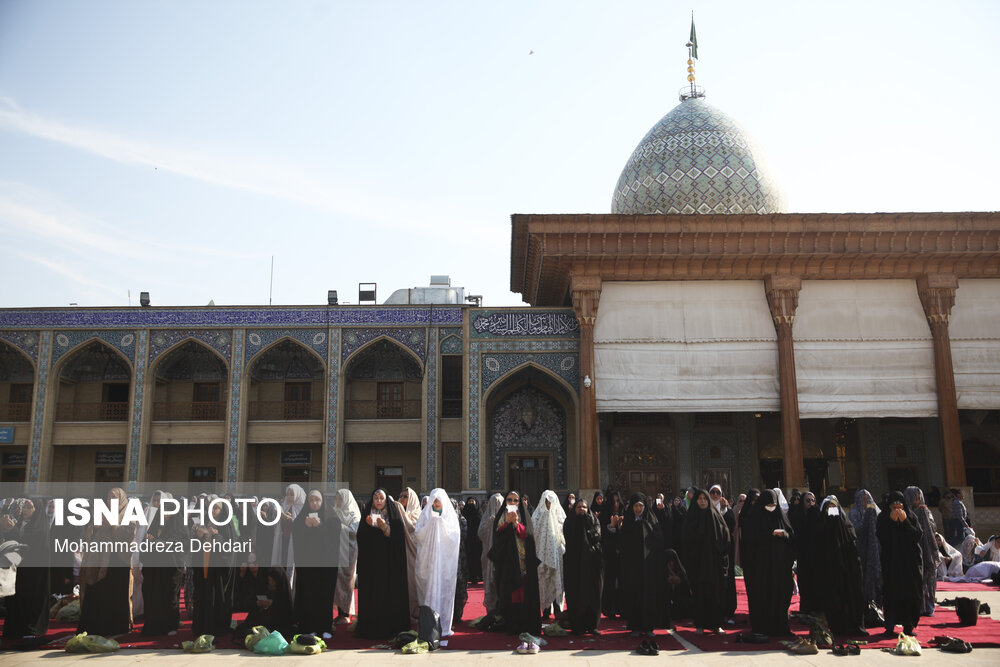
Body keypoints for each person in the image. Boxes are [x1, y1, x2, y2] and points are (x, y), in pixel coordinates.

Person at [354, 489, 411, 639]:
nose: (379, 501)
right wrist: (368, 527)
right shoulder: (367, 514)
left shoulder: (393, 515)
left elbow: (398, 538)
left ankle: (391, 626)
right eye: (376, 498)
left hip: (389, 566)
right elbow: (360, 538)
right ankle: (370, 627)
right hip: (371, 566)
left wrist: (385, 528)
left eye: (381, 498)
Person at [78, 488, 135, 637]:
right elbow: (87, 536)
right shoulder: (103, 513)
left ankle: (115, 627)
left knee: (114, 596)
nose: (110, 502)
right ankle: (95, 626)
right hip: (99, 561)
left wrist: (112, 525)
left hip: (117, 562)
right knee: (98, 593)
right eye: (109, 498)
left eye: (114, 498)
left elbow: (129, 535)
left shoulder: (129, 514)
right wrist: (94, 528)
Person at [487, 490, 541, 635]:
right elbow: (497, 534)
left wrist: (516, 524)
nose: (512, 503)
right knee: (509, 591)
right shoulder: (502, 515)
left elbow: (529, 536)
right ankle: (510, 622)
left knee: (523, 592)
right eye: (509, 500)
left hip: (523, 561)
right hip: (507, 562)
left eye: (515, 500)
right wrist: (507, 524)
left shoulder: (524, 515)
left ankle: (523, 622)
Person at [617, 492, 668, 641]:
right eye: (635, 506)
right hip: (633, 568)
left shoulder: (652, 520)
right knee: (635, 595)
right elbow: (622, 543)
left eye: (640, 506)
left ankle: (649, 626)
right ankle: (635, 626)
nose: (638, 509)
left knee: (649, 595)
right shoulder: (628, 522)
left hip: (649, 567)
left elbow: (659, 540)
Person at [814, 495, 865, 635]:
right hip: (829, 571)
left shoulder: (846, 526)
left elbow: (852, 546)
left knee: (851, 597)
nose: (831, 511)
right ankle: (837, 627)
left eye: (834, 508)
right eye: (828, 509)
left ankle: (853, 626)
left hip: (848, 570)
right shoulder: (820, 527)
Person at [682, 488, 731, 634]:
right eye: (699, 498)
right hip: (698, 564)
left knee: (715, 593)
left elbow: (725, 535)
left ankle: (716, 624)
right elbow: (686, 540)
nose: (702, 501)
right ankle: (700, 624)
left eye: (705, 498)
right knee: (700, 594)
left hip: (714, 564)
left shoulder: (715, 515)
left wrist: (720, 552)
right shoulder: (691, 517)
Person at [747, 489, 794, 637]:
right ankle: (763, 627)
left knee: (781, 595)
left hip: (780, 567)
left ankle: (780, 626)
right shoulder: (754, 518)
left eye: (774, 504)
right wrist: (769, 534)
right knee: (763, 595)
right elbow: (750, 540)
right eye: (768, 504)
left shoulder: (781, 517)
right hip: (762, 568)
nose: (771, 507)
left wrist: (784, 534)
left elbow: (791, 537)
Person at [293, 490, 340, 638]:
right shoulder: (301, 520)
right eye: (311, 500)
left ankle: (325, 627)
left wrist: (319, 527)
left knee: (324, 596)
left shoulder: (332, 518)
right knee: (309, 595)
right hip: (308, 566)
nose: (314, 503)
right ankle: (309, 626)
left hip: (326, 566)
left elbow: (333, 542)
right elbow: (297, 538)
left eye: (317, 500)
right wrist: (305, 527)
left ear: (322, 501)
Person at [414, 488, 461, 637]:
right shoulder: (425, 516)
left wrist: (441, 525)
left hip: (444, 564)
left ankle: (444, 625)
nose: (436, 503)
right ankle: (428, 626)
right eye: (434, 500)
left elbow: (455, 536)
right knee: (427, 590)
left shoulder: (450, 518)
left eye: (439, 500)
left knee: (444, 592)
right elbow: (418, 533)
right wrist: (432, 525)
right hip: (428, 562)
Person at [140, 490, 187, 636]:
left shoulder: (178, 525)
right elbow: (146, 546)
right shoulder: (155, 526)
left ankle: (170, 625)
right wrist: (149, 543)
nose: (166, 514)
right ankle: (153, 625)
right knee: (152, 595)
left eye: (169, 511)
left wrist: (167, 544)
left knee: (170, 596)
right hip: (155, 569)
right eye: (164, 511)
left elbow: (184, 543)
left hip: (171, 567)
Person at [1, 498, 50, 640]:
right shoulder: (19, 522)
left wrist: (12, 530)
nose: (25, 511)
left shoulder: (39, 526)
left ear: (37, 510)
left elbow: (29, 545)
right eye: (24, 507)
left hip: (33, 575)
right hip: (18, 570)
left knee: (29, 600)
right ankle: (14, 629)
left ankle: (31, 629)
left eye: (29, 508)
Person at [877, 491, 923, 637]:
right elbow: (882, 537)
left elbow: (917, 535)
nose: (897, 506)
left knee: (910, 594)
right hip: (891, 563)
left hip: (909, 564)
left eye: (899, 503)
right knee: (891, 593)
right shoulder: (883, 517)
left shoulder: (910, 516)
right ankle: (889, 626)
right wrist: (891, 521)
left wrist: (905, 522)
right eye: (893, 503)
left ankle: (908, 626)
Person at [191, 494, 236, 637]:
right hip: (204, 566)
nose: (213, 510)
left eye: (216, 508)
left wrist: (216, 536)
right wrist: (197, 536)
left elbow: (229, 548)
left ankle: (217, 626)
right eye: (211, 507)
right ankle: (202, 626)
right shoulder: (205, 521)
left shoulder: (227, 525)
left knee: (216, 597)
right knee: (203, 596)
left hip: (218, 571)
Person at [561, 498, 602, 635]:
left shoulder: (593, 520)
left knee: (592, 594)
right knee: (575, 593)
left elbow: (597, 536)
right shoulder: (570, 521)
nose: (582, 509)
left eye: (584, 507)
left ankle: (592, 625)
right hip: (574, 564)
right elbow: (568, 537)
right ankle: (577, 626)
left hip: (591, 564)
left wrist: (587, 524)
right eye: (578, 507)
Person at [904, 486, 940, 616]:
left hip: (927, 551)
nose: (917, 501)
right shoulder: (905, 512)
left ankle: (928, 606)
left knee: (929, 578)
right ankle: (916, 606)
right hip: (912, 551)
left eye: (919, 497)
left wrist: (924, 516)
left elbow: (933, 528)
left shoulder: (926, 511)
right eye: (915, 498)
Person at [531, 489, 566, 620]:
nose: (548, 504)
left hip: (557, 556)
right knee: (544, 582)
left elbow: (565, 533)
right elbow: (533, 533)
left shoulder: (560, 517)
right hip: (541, 556)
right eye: (546, 501)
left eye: (550, 502)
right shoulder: (537, 517)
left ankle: (557, 609)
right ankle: (546, 609)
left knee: (557, 580)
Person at [235, 566, 294, 642]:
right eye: (269, 580)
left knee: (283, 631)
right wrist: (259, 604)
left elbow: (286, 613)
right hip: (263, 623)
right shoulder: (266, 588)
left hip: (278, 625)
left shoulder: (283, 591)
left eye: (273, 581)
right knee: (242, 629)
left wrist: (273, 604)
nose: (271, 583)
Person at [849, 489, 882, 607]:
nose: (864, 501)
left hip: (875, 550)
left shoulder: (876, 512)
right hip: (861, 548)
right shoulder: (854, 513)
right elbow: (855, 529)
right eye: (862, 499)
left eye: (866, 499)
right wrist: (867, 521)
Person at [332, 489, 361, 624]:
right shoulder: (334, 512)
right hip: (336, 551)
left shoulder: (354, 514)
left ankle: (346, 612)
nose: (338, 502)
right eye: (336, 499)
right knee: (337, 583)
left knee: (346, 581)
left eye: (340, 499)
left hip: (349, 551)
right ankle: (340, 612)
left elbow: (354, 531)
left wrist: (339, 526)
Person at [709, 484, 737, 620]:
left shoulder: (727, 509)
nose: (715, 495)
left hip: (724, 552)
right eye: (712, 492)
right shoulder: (705, 509)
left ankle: (727, 610)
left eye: (717, 493)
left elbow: (731, 525)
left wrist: (725, 510)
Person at [791, 491, 820, 613]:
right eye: (808, 501)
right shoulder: (798, 517)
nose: (811, 503)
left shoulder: (818, 516)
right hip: (803, 556)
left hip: (817, 556)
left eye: (813, 500)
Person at [396, 486, 422, 618]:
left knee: (411, 583)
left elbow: (412, 529)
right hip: (400, 553)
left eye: (405, 496)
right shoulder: (397, 512)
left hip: (413, 555)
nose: (401, 499)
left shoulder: (417, 514)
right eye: (400, 496)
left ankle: (413, 611)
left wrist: (401, 511)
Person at [477, 493, 504, 618]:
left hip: (502, 558)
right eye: (494, 503)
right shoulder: (487, 518)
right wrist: (490, 524)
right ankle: (491, 611)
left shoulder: (506, 517)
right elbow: (480, 534)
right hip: (488, 556)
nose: (496, 506)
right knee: (490, 583)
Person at [598, 490, 624, 619]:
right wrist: (612, 526)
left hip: (623, 555)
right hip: (609, 554)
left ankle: (622, 607)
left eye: (618, 501)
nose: (615, 504)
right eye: (613, 501)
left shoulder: (625, 514)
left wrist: (621, 527)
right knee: (611, 581)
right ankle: (610, 609)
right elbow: (602, 535)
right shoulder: (604, 515)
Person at [271, 484, 306, 581]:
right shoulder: (285, 506)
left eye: (292, 495)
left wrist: (291, 520)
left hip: (296, 543)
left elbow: (302, 526)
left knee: (292, 566)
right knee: (283, 562)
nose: (289, 497)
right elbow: (278, 525)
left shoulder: (303, 508)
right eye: (288, 494)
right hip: (284, 540)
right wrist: (281, 518)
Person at [462, 496, 483, 584]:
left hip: (477, 541)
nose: (471, 503)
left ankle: (478, 576)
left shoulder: (480, 514)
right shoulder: (464, 514)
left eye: (473, 501)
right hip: (466, 541)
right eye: (469, 501)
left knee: (477, 558)